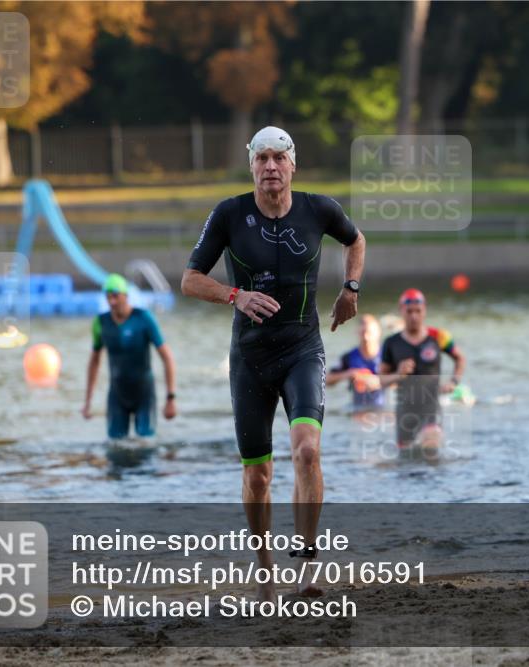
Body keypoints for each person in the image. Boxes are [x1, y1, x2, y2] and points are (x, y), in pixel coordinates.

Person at [180, 126, 366, 600]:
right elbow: (189, 280)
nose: (270, 167)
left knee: (307, 451)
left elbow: (356, 240)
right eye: (261, 158)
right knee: (258, 474)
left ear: (292, 164)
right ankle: (264, 570)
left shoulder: (318, 208)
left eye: (278, 158)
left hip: (304, 348)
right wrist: (234, 296)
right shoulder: (229, 214)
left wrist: (351, 288)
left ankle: (307, 568)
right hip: (250, 358)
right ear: (251, 166)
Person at [83, 274, 177, 439]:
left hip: (144, 394)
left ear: (125, 295)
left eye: (115, 296)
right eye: (108, 297)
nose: (111, 301)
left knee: (146, 445)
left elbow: (167, 357)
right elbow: (94, 361)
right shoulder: (100, 322)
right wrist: (88, 402)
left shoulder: (144, 318)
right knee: (116, 446)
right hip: (117, 394)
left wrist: (170, 398)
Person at [378, 288, 466, 450]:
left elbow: (460, 358)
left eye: (418, 311)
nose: (413, 316)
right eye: (409, 311)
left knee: (431, 445)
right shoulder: (391, 343)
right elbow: (381, 380)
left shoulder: (439, 336)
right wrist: (398, 374)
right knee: (407, 462)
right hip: (405, 409)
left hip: (431, 408)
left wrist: (454, 381)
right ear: (401, 311)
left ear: (424, 310)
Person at [326, 313, 384, 412]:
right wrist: (348, 374)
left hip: (383, 409)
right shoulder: (348, 357)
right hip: (357, 409)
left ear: (378, 332)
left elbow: (403, 379)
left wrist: (378, 381)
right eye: (363, 333)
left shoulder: (387, 355)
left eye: (369, 332)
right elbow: (326, 380)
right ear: (357, 332)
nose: (366, 337)